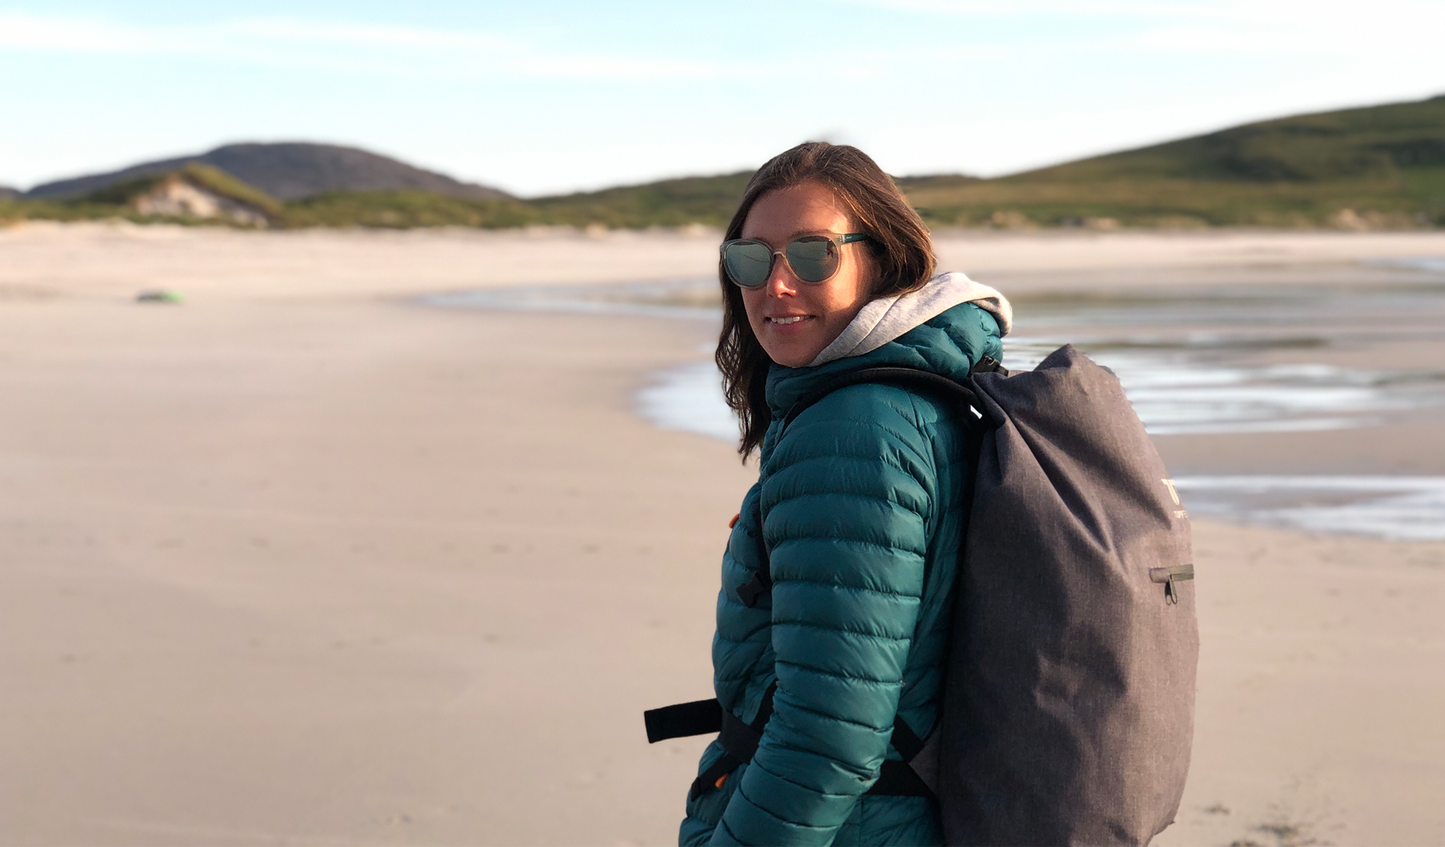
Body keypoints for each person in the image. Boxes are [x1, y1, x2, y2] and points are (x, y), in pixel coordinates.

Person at [680, 142, 1011, 847]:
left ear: (881, 259)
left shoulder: (852, 432)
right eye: (749, 259)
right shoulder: (910, 398)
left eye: (811, 254)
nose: (775, 285)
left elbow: (826, 739)